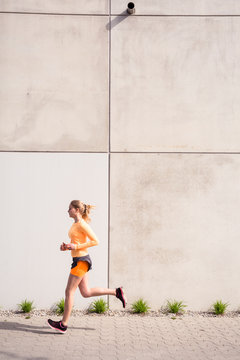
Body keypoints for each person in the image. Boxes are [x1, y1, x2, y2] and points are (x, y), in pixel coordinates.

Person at [47, 200, 126, 333]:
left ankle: (63, 324)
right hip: (78, 259)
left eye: (70, 208)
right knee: (86, 292)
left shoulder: (82, 224)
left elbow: (96, 241)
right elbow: (76, 242)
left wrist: (76, 247)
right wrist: (67, 247)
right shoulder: (75, 224)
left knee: (69, 292)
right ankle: (116, 292)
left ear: (77, 210)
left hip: (82, 261)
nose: (68, 210)